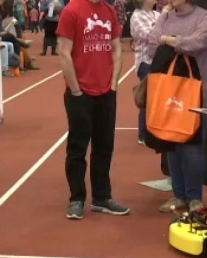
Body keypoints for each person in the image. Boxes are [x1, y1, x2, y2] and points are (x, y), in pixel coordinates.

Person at [57, 0, 129, 220]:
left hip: (106, 93)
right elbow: (63, 52)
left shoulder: (108, 11)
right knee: (78, 148)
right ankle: (76, 198)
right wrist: (76, 90)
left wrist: (114, 83)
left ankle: (101, 197)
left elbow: (117, 49)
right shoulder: (72, 10)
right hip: (80, 94)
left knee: (104, 147)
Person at [147, 0, 207, 213]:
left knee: (193, 148)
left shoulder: (205, 17)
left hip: (198, 93)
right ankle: (178, 196)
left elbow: (198, 43)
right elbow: (151, 45)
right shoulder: (166, 16)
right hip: (169, 92)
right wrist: (164, 20)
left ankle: (194, 197)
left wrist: (167, 40)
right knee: (172, 145)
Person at [130, 0, 158, 145]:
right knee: (147, 98)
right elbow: (149, 35)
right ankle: (143, 134)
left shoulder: (156, 14)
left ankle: (153, 130)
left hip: (158, 61)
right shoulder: (137, 16)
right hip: (145, 61)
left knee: (156, 98)